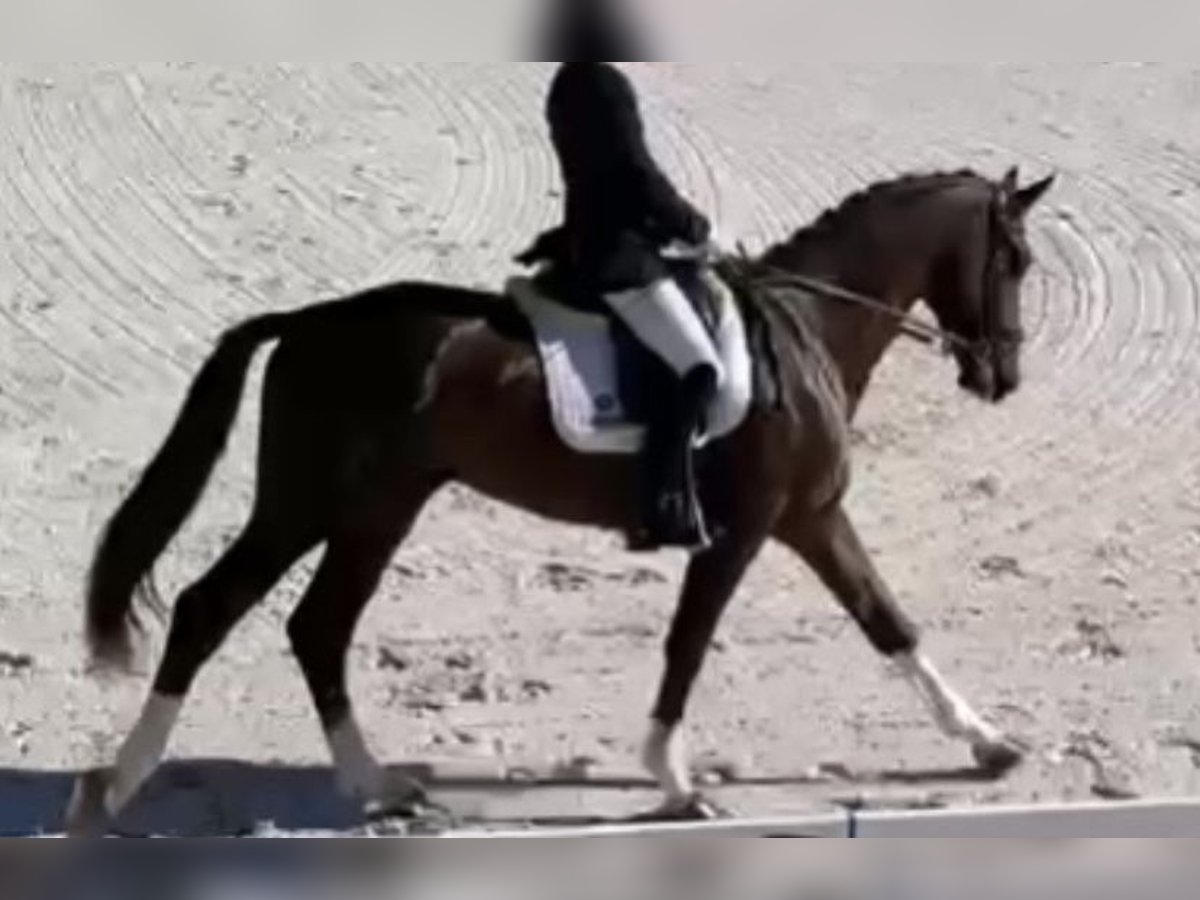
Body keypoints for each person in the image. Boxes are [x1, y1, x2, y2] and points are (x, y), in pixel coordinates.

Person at [516, 0, 724, 551]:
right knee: (700, 369)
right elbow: (636, 172)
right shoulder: (605, 84)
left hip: (586, 241)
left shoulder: (565, 84)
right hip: (620, 258)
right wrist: (692, 225)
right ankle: (664, 502)